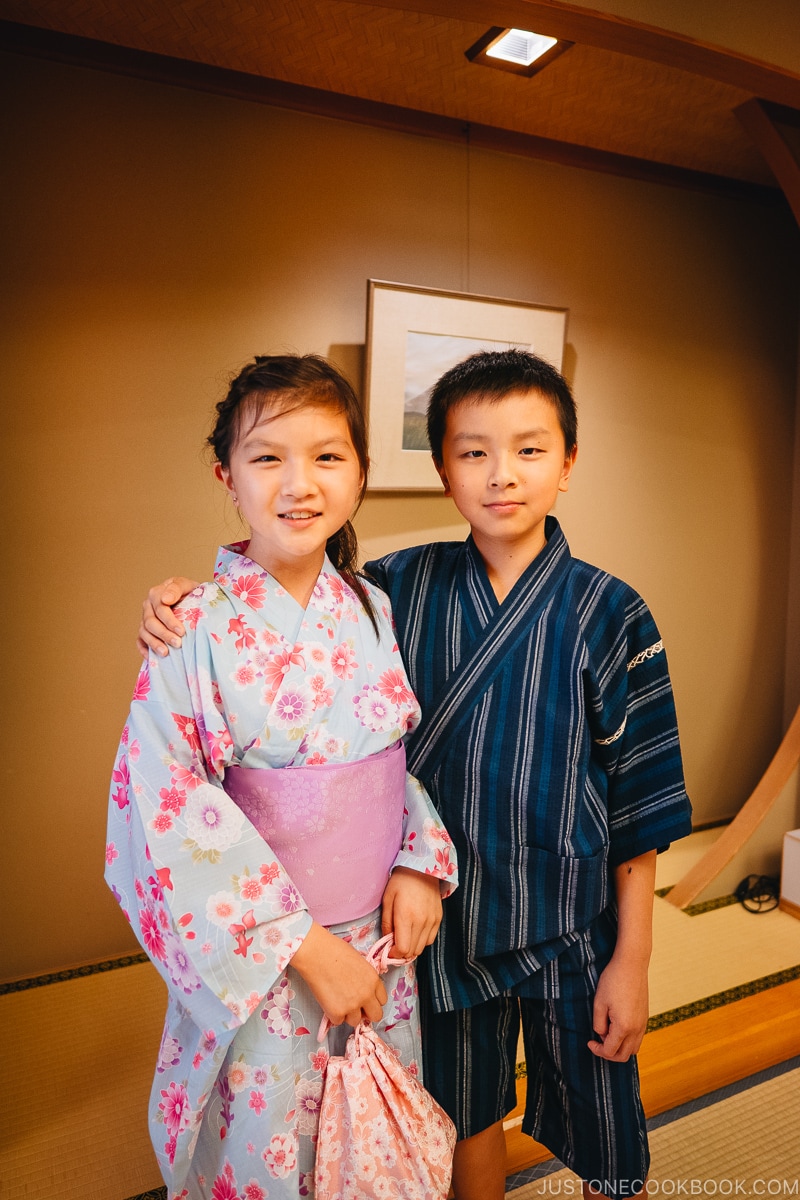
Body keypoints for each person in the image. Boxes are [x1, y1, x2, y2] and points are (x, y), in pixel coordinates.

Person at [138, 349, 693, 1200]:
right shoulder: (340, 602)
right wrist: (172, 606)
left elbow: (626, 804)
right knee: (407, 1127)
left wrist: (630, 958)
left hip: (510, 923)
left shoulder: (580, 612)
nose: (501, 475)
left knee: (584, 1127)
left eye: (531, 450)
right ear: (440, 467)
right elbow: (182, 810)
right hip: (370, 942)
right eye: (473, 452)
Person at [107, 353, 457, 1200]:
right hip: (266, 964)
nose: (299, 483)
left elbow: (389, 768)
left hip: (377, 941)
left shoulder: (371, 606)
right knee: (266, 1148)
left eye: (328, 456)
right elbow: (164, 811)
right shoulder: (193, 630)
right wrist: (305, 947)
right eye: (268, 457)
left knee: (371, 1145)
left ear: (361, 473)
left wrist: (418, 864)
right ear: (226, 473)